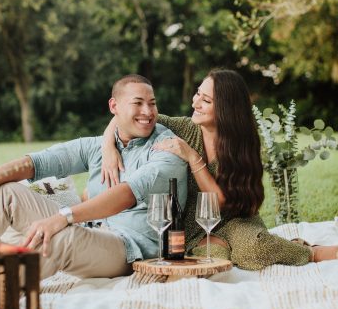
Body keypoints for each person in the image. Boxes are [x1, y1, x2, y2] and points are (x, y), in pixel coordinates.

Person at [101, 68, 338, 269]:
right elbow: (129, 116)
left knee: (253, 252)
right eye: (197, 94)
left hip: (235, 219)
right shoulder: (183, 128)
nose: (195, 102)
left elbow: (220, 203)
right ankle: (226, 246)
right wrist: (107, 148)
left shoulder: (242, 145)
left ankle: (310, 252)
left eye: (205, 100)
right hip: (194, 228)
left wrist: (192, 157)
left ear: (226, 108)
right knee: (212, 261)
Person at [0, 75, 187, 279]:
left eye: (152, 103)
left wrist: (62, 217)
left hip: (130, 248)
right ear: (114, 106)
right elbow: (36, 162)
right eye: (138, 103)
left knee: (61, 238)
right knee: (6, 192)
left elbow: (125, 194)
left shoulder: (167, 149)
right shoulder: (99, 146)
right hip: (89, 232)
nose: (148, 111)